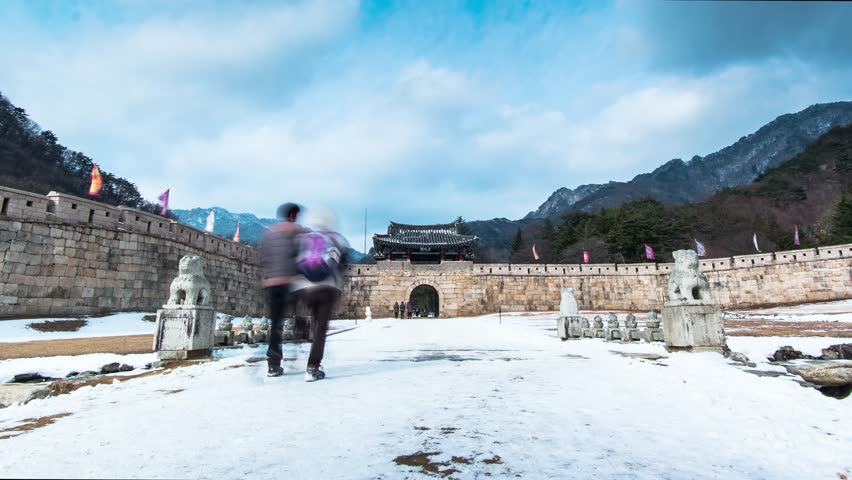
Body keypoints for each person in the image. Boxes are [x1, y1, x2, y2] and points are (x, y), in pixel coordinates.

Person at [290, 208, 349, 382]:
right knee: (321, 328)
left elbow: (294, 263)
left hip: (305, 289)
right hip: (327, 288)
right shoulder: (336, 239)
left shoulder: (303, 238)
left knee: (313, 322)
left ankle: (300, 328)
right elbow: (341, 266)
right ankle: (312, 367)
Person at [259, 203, 304, 377]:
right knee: (302, 313)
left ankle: (273, 364)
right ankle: (303, 347)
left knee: (276, 325)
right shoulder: (297, 231)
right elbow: (301, 256)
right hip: (291, 283)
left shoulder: (269, 233)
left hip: (272, 284)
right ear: (293, 215)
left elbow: (263, 257)